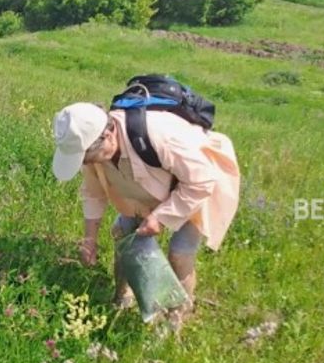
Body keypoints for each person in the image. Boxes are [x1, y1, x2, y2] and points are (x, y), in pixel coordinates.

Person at [51, 102, 240, 324]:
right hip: (148, 188)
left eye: (89, 158)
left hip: (193, 189)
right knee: (123, 233)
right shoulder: (92, 149)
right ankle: (122, 298)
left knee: (179, 253)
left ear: (109, 135)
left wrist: (160, 218)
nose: (88, 163)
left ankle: (178, 316)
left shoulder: (159, 137)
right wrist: (89, 240)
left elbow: (201, 182)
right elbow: (93, 193)